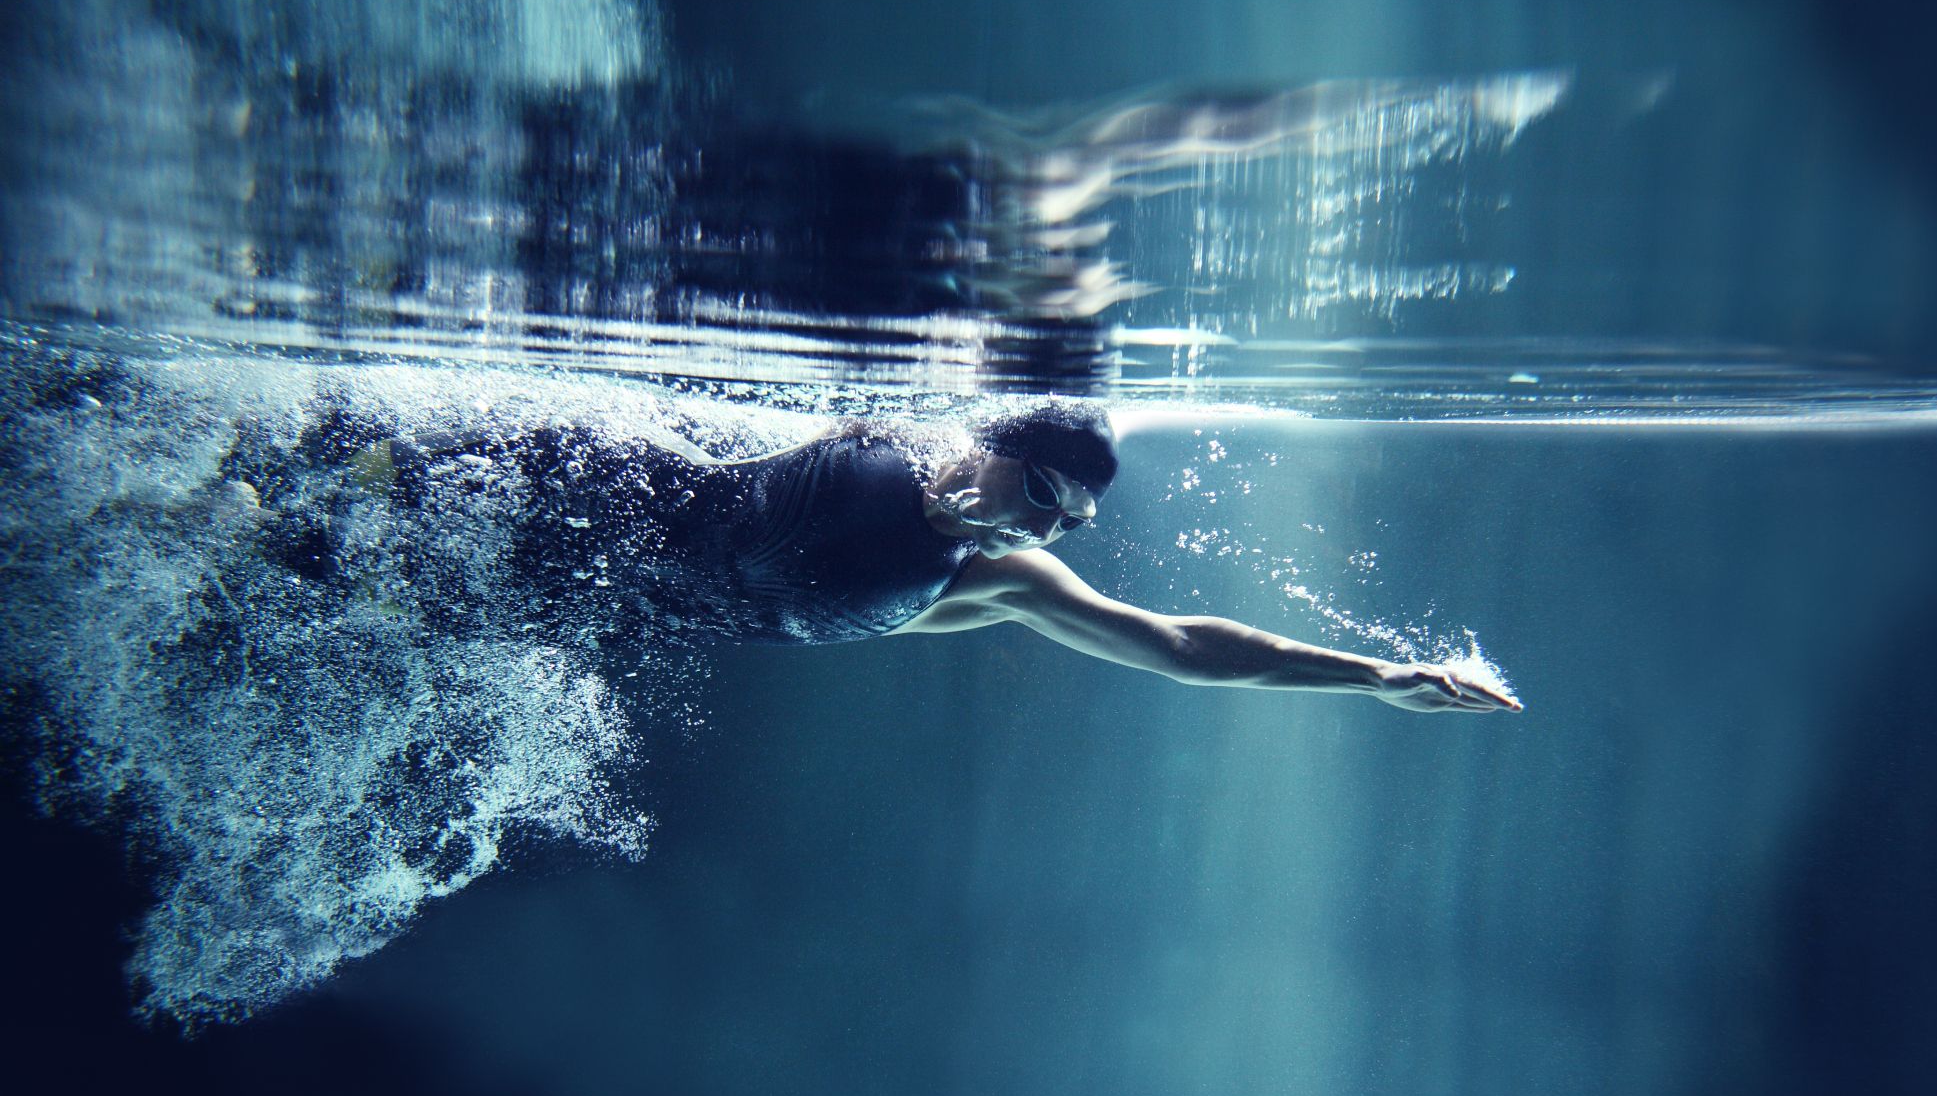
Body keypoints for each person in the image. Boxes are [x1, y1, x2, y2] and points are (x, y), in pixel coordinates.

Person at [456, 399, 1516, 714]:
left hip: (576, 615)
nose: (1044, 531)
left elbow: (1181, 645)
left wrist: (1378, 676)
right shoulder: (864, 435)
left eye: (1072, 523)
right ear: (990, 446)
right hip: (562, 517)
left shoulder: (996, 581)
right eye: (1043, 495)